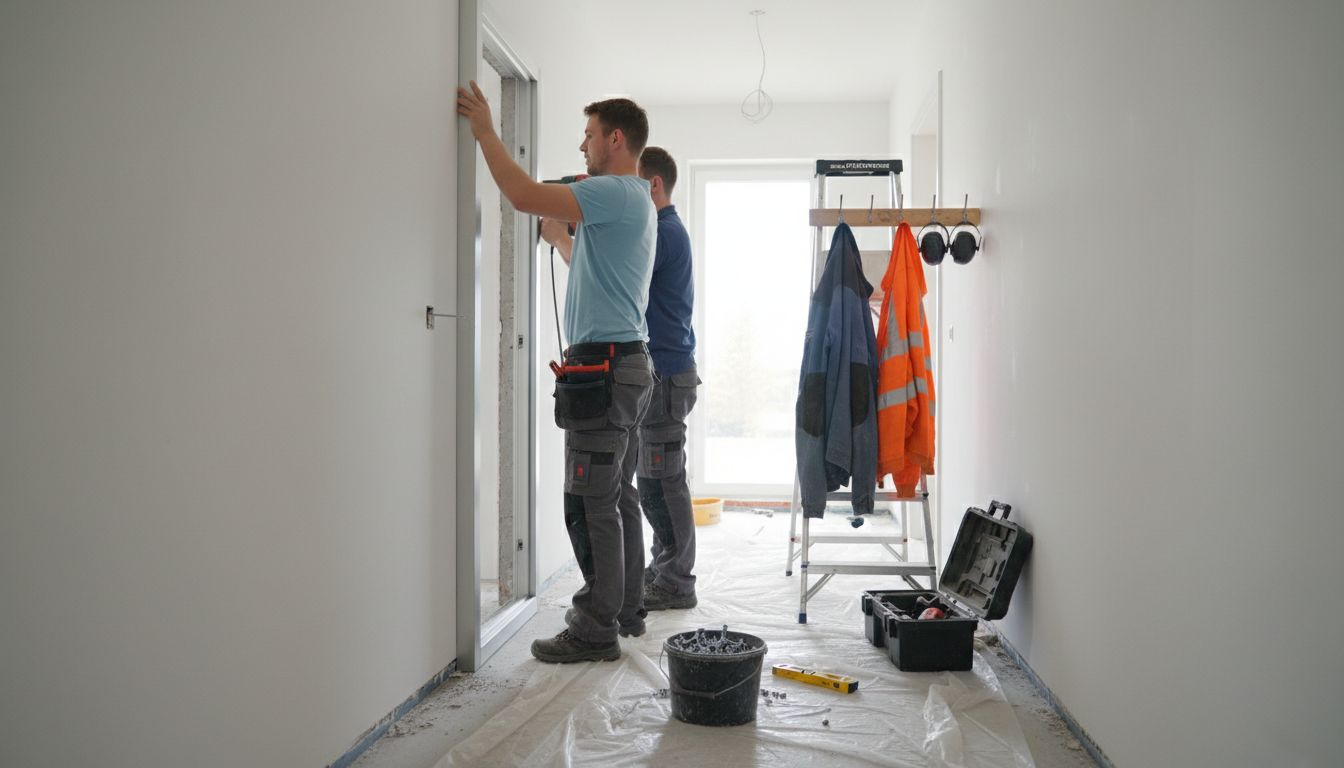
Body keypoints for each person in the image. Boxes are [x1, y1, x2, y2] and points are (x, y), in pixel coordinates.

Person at [457, 82, 656, 663]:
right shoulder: (629, 199)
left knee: (588, 498)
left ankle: (595, 629)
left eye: (589, 135)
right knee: (615, 495)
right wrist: (564, 235)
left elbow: (521, 195)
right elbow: (597, 278)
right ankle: (625, 609)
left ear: (615, 140)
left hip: (608, 367)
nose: (582, 145)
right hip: (622, 364)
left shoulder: (615, 191)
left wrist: (487, 133)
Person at [542, 146, 699, 611]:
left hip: (667, 374)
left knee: (662, 482)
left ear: (652, 186)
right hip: (664, 372)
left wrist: (560, 240)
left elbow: (617, 286)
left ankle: (675, 581)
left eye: (632, 184)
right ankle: (660, 575)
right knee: (648, 483)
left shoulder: (663, 231)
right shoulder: (662, 229)